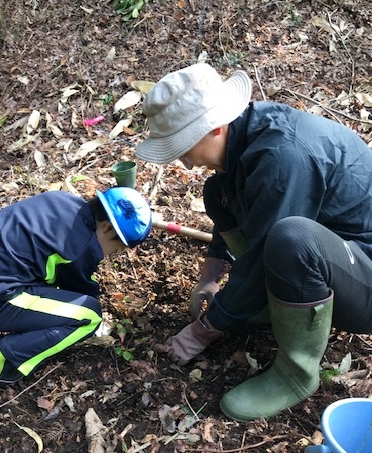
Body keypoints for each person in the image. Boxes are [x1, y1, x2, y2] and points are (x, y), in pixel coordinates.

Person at [136, 62, 372, 422]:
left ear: (215, 127)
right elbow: (237, 216)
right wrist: (209, 279)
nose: (181, 161)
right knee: (217, 192)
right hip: (336, 258)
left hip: (364, 275)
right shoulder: (245, 141)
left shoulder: (283, 157)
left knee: (293, 239)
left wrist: (203, 330)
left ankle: (296, 374)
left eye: (182, 147)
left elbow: (269, 248)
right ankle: (267, 304)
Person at [0, 187, 152, 388]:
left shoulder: (59, 199)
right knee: (89, 315)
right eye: (115, 249)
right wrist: (98, 321)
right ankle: (0, 363)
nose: (109, 255)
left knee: (24, 273)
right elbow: (79, 293)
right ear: (106, 228)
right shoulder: (82, 246)